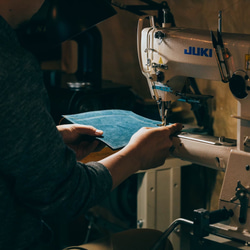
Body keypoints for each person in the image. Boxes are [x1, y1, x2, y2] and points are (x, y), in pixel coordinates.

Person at [0, 0, 182, 249]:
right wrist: (136, 156)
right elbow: (64, 195)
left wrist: (47, 140)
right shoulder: (10, 65)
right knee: (153, 241)